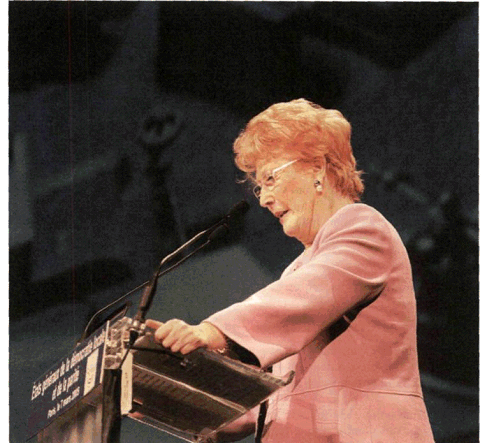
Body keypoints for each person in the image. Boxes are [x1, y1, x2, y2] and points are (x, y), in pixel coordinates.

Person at [146, 99, 434, 442]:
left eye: (271, 178)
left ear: (317, 168)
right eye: (259, 186)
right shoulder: (299, 270)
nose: (263, 198)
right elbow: (274, 401)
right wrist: (159, 395)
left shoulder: (363, 229)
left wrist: (211, 331)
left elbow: (306, 295)